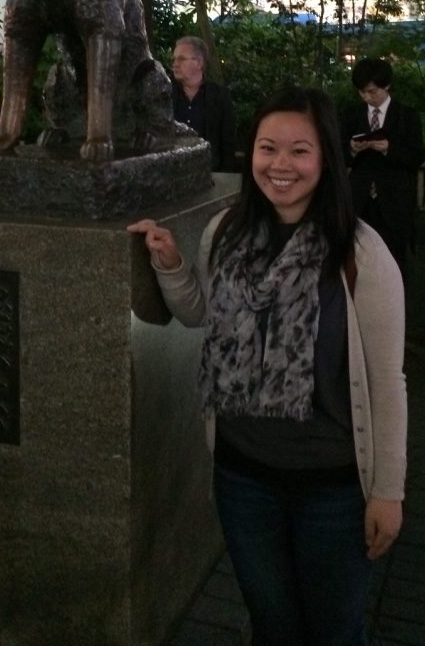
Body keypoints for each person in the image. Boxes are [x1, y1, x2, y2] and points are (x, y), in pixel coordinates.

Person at [128, 87, 406, 646]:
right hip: (243, 477)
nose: (281, 165)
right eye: (267, 148)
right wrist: (170, 262)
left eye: (299, 151)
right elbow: (199, 313)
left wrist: (387, 491)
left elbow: (386, 382)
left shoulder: (360, 252)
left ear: (326, 157)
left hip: (332, 487)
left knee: (333, 631)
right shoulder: (225, 233)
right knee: (273, 625)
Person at [342, 57, 424, 272]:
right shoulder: (351, 114)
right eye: (362, 93)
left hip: (393, 200)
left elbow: (416, 156)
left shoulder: (407, 116)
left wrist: (388, 148)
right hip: (360, 199)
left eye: (372, 92)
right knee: (357, 262)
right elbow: (339, 153)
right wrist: (352, 148)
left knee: (394, 263)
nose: (367, 97)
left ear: (386, 85)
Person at [171, 36, 237, 171]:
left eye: (181, 59)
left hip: (209, 172)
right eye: (174, 59)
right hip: (172, 172)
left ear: (199, 63)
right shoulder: (166, 95)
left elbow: (228, 141)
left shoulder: (219, 96)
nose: (175, 64)